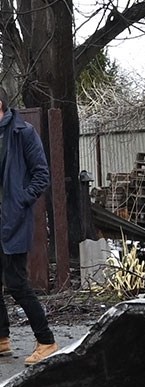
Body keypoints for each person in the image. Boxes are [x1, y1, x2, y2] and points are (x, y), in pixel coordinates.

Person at [0, 89, 56, 365]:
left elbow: (41, 174)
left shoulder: (23, 132)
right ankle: (2, 339)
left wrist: (20, 199)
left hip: (13, 219)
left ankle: (46, 341)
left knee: (17, 284)